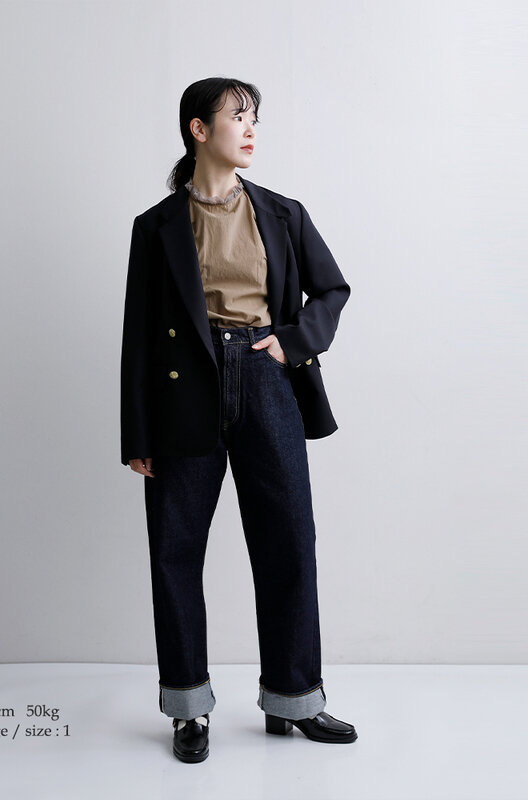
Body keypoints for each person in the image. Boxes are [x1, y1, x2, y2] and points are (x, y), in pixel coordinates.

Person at [120, 77, 357, 763]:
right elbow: (139, 336)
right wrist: (137, 434)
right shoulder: (156, 226)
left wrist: (291, 340)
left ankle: (294, 699)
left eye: (255, 118)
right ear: (199, 129)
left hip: (265, 379)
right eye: (238, 116)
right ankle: (187, 707)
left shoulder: (282, 213)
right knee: (175, 550)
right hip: (183, 392)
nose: (251, 129)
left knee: (288, 543)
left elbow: (332, 288)